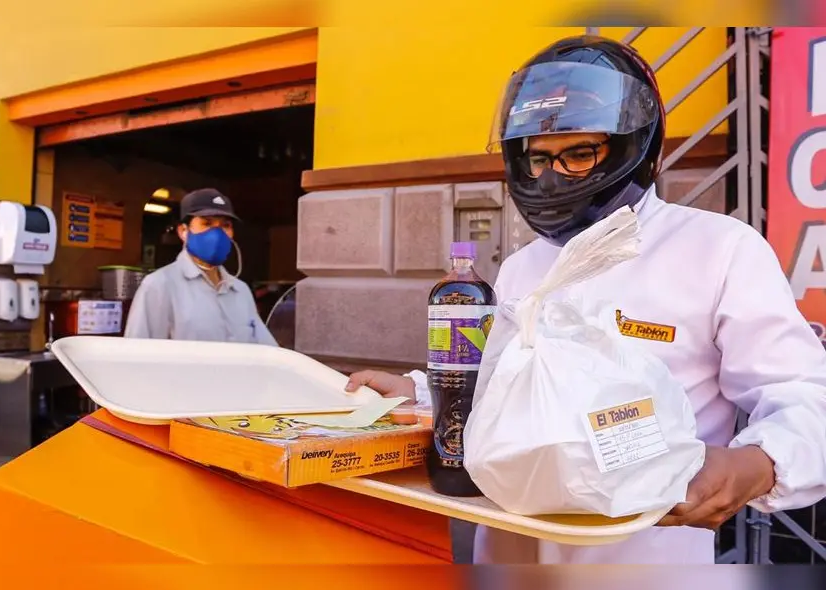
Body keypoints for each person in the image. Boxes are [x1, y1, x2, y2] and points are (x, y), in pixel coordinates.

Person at [346, 35, 826, 564]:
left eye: (579, 154)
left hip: (643, 558)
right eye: (538, 158)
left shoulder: (718, 249)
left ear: (632, 146)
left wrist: (760, 462)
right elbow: (501, 385)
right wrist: (421, 390)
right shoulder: (523, 266)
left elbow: (801, 392)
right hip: (508, 550)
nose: (551, 178)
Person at [125, 188, 277, 346]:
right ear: (184, 231)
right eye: (207, 223)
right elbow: (137, 354)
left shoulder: (240, 291)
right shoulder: (159, 285)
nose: (217, 233)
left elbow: (266, 349)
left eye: (225, 225)